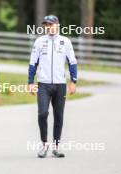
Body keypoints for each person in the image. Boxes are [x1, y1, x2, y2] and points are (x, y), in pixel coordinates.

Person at [28, 15, 77, 158]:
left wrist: (73, 81)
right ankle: (44, 145)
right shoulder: (39, 41)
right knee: (42, 113)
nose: (48, 27)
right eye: (46, 25)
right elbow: (32, 63)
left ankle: (56, 146)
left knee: (59, 115)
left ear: (57, 25)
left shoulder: (65, 41)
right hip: (43, 84)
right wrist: (30, 82)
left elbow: (72, 62)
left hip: (60, 84)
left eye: (50, 24)